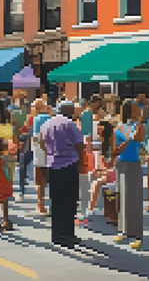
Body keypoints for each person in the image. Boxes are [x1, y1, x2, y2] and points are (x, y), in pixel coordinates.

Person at [39, 100, 84, 247]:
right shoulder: (71, 124)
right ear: (70, 111)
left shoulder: (47, 124)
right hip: (68, 165)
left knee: (56, 200)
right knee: (69, 201)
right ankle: (67, 233)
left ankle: (57, 234)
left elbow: (41, 142)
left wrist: (52, 153)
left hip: (52, 165)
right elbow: (79, 145)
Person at [113, 100, 147, 250]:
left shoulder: (139, 126)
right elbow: (114, 147)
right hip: (121, 164)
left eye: (138, 109)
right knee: (122, 198)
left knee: (135, 199)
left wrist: (140, 119)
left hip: (134, 164)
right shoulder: (119, 126)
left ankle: (137, 234)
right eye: (134, 109)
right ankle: (124, 230)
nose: (137, 111)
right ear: (127, 111)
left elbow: (139, 138)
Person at [86, 120, 116, 215]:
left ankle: (91, 208)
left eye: (100, 130)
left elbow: (110, 164)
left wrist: (101, 170)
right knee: (93, 178)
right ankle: (92, 205)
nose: (98, 132)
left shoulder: (111, 145)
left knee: (96, 183)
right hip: (109, 171)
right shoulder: (104, 144)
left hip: (113, 172)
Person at [31, 99, 51, 215]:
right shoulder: (50, 118)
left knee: (40, 183)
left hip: (39, 154)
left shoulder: (37, 119)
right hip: (50, 154)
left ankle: (41, 204)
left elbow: (36, 138)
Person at [0, 138, 13, 230]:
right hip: (4, 183)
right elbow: (6, 172)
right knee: (5, 202)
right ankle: (5, 220)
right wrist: (10, 180)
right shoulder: (2, 160)